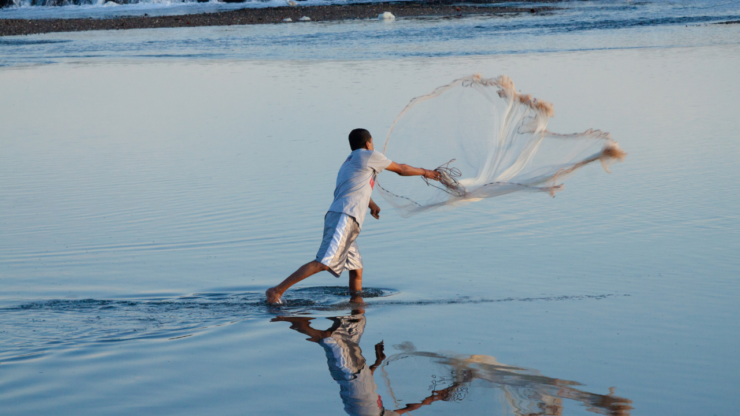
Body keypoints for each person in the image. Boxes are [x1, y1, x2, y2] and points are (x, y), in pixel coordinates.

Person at [266, 128, 441, 304]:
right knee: (323, 263)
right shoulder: (368, 155)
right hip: (344, 216)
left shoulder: (350, 161)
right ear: (367, 143)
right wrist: (426, 172)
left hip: (346, 217)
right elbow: (402, 169)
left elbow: (354, 187)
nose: (373, 145)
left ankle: (355, 305)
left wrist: (371, 205)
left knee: (356, 269)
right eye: (372, 142)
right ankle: (276, 291)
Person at [272, 297, 466, 416]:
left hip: (349, 370)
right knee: (357, 318)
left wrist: (435, 398)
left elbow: (409, 407)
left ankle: (284, 316)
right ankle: (302, 315)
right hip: (354, 369)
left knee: (327, 338)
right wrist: (377, 363)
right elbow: (366, 390)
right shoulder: (367, 411)